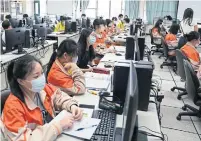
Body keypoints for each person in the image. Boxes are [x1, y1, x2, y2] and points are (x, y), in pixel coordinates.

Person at [1, 55, 83, 141]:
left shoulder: (42, 89)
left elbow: (59, 96)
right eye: (36, 76)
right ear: (21, 81)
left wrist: (72, 106)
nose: (41, 79)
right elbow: (25, 139)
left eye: (42, 73)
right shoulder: (13, 107)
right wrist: (58, 126)